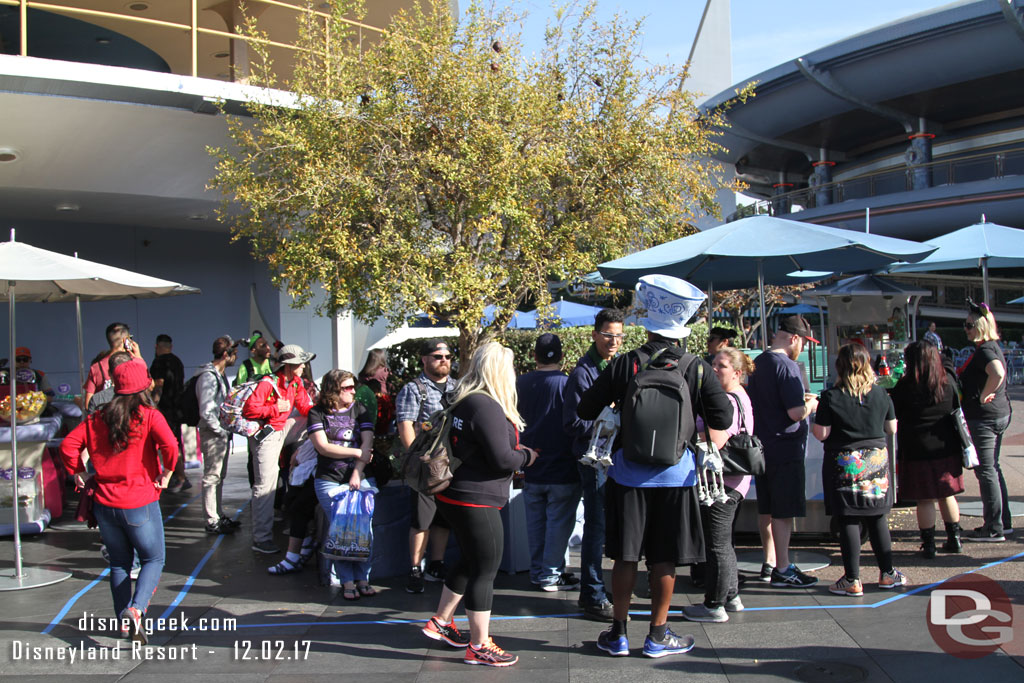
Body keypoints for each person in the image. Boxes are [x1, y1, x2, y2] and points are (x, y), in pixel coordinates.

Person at [579, 275, 732, 659]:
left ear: (647, 322)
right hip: (676, 476)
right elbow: (724, 417)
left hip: (627, 475)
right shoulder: (696, 368)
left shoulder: (626, 364)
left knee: (625, 556)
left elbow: (584, 408)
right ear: (683, 327)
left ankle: (617, 634)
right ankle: (658, 635)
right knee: (663, 558)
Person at [420, 341, 537, 667]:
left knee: (472, 560)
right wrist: (527, 455)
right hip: (476, 500)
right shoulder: (485, 405)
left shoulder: (464, 399)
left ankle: (441, 621)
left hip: (456, 494)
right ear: (500, 370)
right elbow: (502, 459)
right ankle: (479, 644)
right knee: (485, 569)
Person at [60, 358, 178, 644]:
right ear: (144, 384)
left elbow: (68, 445)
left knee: (118, 564)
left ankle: (123, 623)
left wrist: (77, 471)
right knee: (154, 558)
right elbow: (171, 446)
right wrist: (167, 472)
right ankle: (136, 611)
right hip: (139, 500)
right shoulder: (149, 415)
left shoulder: (96, 417)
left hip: (105, 503)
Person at [812, 344, 907, 596]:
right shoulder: (881, 395)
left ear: (839, 367)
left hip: (844, 463)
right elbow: (892, 428)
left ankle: (852, 579)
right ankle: (888, 573)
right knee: (877, 516)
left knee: (848, 518)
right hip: (875, 462)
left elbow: (821, 434)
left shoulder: (831, 397)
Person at [682, 347, 755, 623]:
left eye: (721, 366)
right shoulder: (740, 397)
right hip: (734, 481)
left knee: (717, 545)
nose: (714, 369)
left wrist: (686, 432)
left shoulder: (726, 400)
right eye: (713, 363)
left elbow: (717, 438)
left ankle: (714, 605)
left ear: (737, 373)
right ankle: (731, 595)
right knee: (724, 543)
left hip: (721, 483)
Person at [747, 315, 819, 588]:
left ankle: (770, 561)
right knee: (783, 511)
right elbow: (794, 412)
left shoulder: (760, 362)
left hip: (763, 445)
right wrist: (810, 406)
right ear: (795, 338)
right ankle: (783, 567)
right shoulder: (787, 366)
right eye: (804, 343)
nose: (804, 349)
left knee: (767, 508)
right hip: (785, 447)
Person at [562, 308, 624, 622]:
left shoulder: (617, 367)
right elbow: (573, 423)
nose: (613, 341)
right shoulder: (583, 372)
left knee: (606, 527)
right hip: (592, 460)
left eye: (618, 335)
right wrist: (609, 419)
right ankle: (592, 594)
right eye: (608, 334)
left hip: (613, 458)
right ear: (594, 334)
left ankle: (598, 588)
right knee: (596, 529)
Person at [517, 333, 581, 592]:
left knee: (536, 524)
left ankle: (539, 572)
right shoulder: (567, 383)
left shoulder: (519, 383)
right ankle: (550, 575)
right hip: (563, 464)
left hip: (530, 463)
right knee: (558, 524)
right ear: (562, 357)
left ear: (534, 356)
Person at [394, 338, 458, 593]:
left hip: (452, 463)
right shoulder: (414, 389)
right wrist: (416, 459)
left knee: (444, 519)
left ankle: (436, 564)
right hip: (426, 465)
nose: (444, 360)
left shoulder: (457, 387)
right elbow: (405, 425)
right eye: (437, 356)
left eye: (447, 356)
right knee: (422, 520)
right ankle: (415, 568)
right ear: (424, 359)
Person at [891, 341, 964, 557]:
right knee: (947, 494)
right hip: (946, 446)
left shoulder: (904, 387)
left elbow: (895, 412)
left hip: (916, 449)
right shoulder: (947, 383)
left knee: (924, 499)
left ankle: (929, 544)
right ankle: (955, 538)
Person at [241, 343, 314, 554]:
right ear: (290, 365)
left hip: (282, 429)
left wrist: (324, 414)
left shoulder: (296, 382)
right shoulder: (267, 383)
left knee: (310, 421)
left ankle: (303, 455)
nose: (304, 366)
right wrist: (275, 408)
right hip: (267, 434)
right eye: (301, 363)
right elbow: (249, 410)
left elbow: (305, 409)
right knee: (266, 484)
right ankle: (261, 538)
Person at [309, 370, 375, 594]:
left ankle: (363, 579)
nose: (353, 391)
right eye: (347, 387)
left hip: (358, 475)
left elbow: (368, 443)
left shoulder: (360, 410)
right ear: (333, 390)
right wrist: (357, 453)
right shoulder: (317, 413)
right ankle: (347, 580)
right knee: (341, 530)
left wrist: (357, 471)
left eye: (353, 386)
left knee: (364, 530)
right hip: (329, 479)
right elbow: (323, 447)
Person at [959, 300, 1012, 542]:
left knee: (987, 471)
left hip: (986, 418)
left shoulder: (985, 351)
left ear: (980, 326)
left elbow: (998, 372)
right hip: (997, 415)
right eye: (965, 325)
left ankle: (994, 527)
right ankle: (1001, 522)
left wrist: (983, 395)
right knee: (993, 468)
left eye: (969, 325)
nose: (966, 329)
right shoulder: (990, 346)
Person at [196, 336, 240, 535]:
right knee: (212, 476)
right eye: (234, 354)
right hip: (213, 433)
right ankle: (211, 518)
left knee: (219, 476)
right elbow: (206, 410)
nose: (235, 358)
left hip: (220, 432)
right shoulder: (208, 376)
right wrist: (220, 430)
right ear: (225, 354)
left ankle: (217, 513)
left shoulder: (219, 374)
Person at [235, 331, 274, 488]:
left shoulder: (271, 364)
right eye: (262, 345)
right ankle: (255, 487)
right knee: (254, 455)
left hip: (271, 417)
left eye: (267, 344)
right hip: (253, 419)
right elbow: (239, 393)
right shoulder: (246, 366)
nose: (267, 347)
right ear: (253, 350)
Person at [151, 334, 189, 493]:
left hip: (165, 409)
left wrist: (154, 405)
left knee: (170, 444)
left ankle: (180, 477)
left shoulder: (159, 362)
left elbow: (159, 385)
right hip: (177, 408)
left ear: (156, 346)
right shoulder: (177, 361)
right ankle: (177, 475)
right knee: (176, 442)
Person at [83, 322, 144, 410]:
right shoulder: (133, 362)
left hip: (105, 418)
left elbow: (88, 404)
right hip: (130, 414)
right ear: (125, 340)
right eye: (130, 338)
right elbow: (150, 386)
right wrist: (139, 357)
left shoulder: (96, 367)